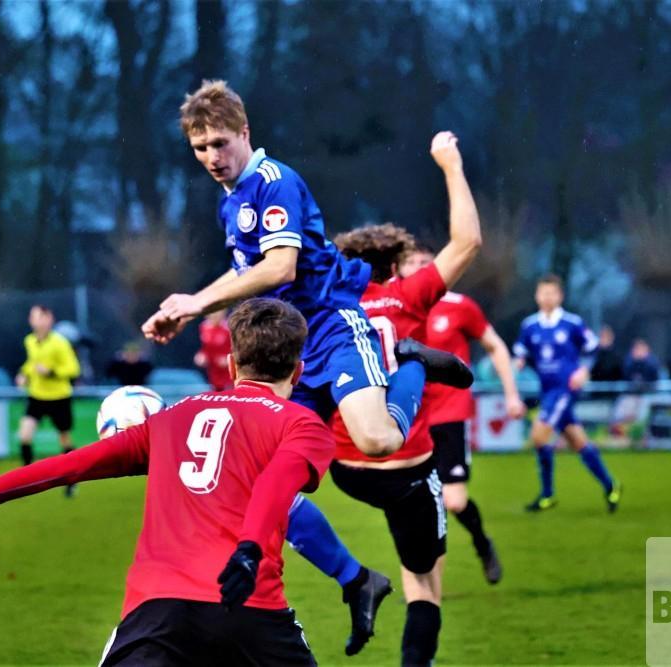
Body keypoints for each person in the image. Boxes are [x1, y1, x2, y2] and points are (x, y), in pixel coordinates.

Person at [140, 80, 472, 653]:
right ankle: (357, 580)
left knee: (373, 439)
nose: (211, 158)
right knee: (266, 484)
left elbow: (280, 268)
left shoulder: (275, 183)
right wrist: (192, 309)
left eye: (220, 143)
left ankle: (411, 362)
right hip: (290, 353)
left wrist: (198, 302)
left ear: (245, 133)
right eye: (199, 149)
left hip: (334, 331)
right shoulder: (232, 198)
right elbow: (249, 271)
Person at [0, 298, 332, 666]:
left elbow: (70, 465)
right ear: (297, 370)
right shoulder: (304, 425)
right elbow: (277, 482)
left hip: (156, 614)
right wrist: (249, 549)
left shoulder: (170, 419)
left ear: (232, 365)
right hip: (251, 608)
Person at [325, 130, 482, 667]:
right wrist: (451, 165)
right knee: (425, 582)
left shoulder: (328, 310)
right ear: (395, 265)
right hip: (408, 467)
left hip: (345, 468)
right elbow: (468, 243)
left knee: (397, 515)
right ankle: (418, 662)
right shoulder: (408, 293)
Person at [397, 244, 525, 587]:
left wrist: (511, 392)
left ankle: (482, 544)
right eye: (412, 263)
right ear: (399, 268)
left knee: (454, 500)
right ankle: (423, 583)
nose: (420, 268)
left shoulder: (458, 306)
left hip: (449, 412)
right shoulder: (393, 308)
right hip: (409, 416)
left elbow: (495, 345)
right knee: (416, 501)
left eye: (427, 262)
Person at [514, 275, 622, 513]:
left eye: (552, 293)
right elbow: (521, 352)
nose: (547, 297)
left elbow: (593, 348)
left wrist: (583, 370)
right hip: (547, 390)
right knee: (578, 441)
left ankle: (547, 494)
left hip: (566, 389)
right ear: (536, 296)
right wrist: (520, 362)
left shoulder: (572, 323)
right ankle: (610, 485)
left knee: (539, 435)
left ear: (560, 296)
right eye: (543, 293)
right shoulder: (530, 325)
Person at [15, 304, 80, 492]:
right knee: (25, 435)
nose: (33, 320)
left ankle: (72, 479)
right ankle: (25, 478)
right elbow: (31, 364)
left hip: (59, 397)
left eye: (37, 316)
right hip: (36, 396)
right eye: (32, 316)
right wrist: (23, 375)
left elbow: (73, 369)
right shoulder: (29, 341)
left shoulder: (60, 343)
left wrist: (50, 372)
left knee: (65, 439)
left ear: (48, 319)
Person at [195, 310, 233, 391]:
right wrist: (201, 355)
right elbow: (204, 347)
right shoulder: (204, 327)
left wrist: (230, 359)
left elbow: (238, 349)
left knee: (228, 395)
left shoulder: (229, 328)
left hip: (228, 373)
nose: (214, 315)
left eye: (217, 312)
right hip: (213, 371)